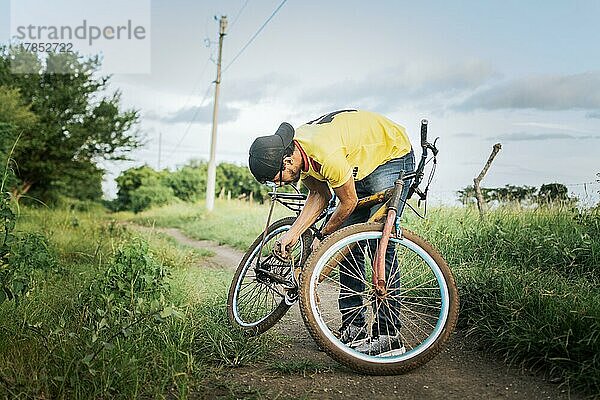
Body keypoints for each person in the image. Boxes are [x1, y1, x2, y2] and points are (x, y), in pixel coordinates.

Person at [248, 109, 415, 356]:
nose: (280, 184)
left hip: (391, 156)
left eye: (278, 179)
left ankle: (389, 336)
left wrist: (322, 236)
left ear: (286, 162)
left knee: (379, 242)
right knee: (345, 248)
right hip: (359, 164)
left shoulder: (324, 153)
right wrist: (293, 233)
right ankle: (355, 328)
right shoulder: (300, 155)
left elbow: (347, 202)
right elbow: (320, 195)